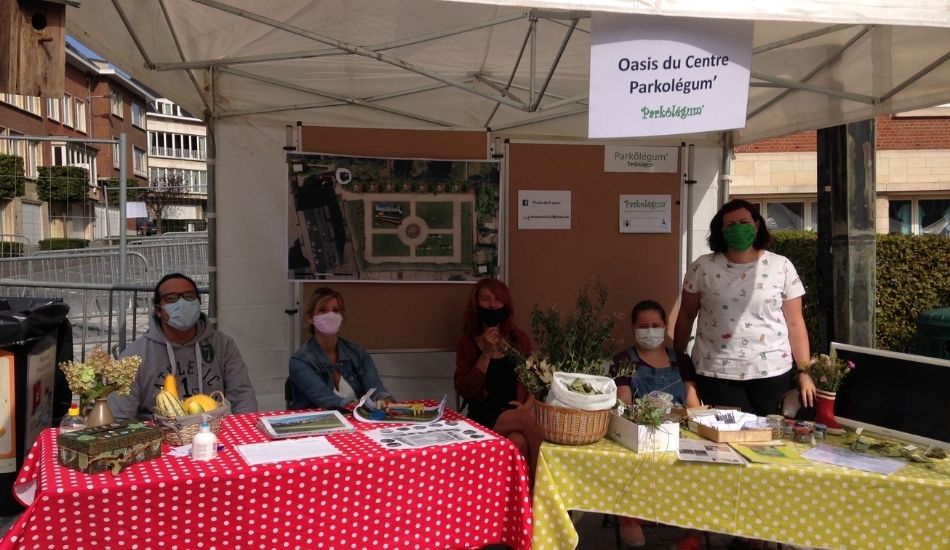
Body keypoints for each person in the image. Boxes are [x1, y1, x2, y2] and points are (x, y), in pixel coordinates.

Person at [674, 198, 816, 415]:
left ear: (757, 225)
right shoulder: (702, 267)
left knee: (769, 432)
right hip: (716, 372)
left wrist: (804, 372)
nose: (738, 228)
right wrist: (677, 360)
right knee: (730, 432)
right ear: (721, 231)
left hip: (772, 371)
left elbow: (795, 323)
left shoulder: (781, 266)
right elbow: (686, 315)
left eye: (744, 222)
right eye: (730, 224)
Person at [610, 299, 700, 548]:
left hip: (681, 432)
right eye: (643, 326)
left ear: (665, 326)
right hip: (642, 433)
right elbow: (624, 407)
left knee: (705, 467)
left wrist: (681, 416)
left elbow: (693, 406)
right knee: (630, 459)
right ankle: (630, 516)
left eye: (656, 325)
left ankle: (693, 535)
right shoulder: (623, 360)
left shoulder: (681, 361)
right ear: (633, 328)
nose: (650, 331)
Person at [109, 273, 258, 421]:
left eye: (189, 296)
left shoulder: (223, 345)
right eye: (171, 298)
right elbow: (120, 416)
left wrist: (246, 426)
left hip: (213, 428)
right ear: (158, 310)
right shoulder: (134, 356)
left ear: (199, 303)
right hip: (158, 432)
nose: (182, 302)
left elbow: (243, 395)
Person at [455, 278, 541, 477]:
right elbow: (465, 390)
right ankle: (543, 487)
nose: (492, 305)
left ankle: (519, 492)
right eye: (486, 299)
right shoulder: (467, 342)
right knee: (529, 421)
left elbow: (535, 380)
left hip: (516, 411)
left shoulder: (518, 339)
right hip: (483, 415)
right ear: (476, 305)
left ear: (505, 305)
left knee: (518, 441)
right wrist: (486, 353)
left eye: (498, 299)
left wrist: (527, 405)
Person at [288, 287, 393, 409]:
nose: (330, 315)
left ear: (341, 317)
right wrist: (362, 407)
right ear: (310, 318)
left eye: (336, 310)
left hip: (356, 418)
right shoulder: (299, 361)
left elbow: (376, 389)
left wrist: (383, 400)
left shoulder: (357, 352)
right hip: (315, 420)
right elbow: (328, 400)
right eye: (323, 310)